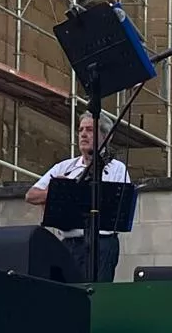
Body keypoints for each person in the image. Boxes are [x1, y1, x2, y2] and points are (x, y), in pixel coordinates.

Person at [26, 112, 130, 283]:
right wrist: (61, 191)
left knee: (97, 294)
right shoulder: (65, 166)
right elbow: (31, 195)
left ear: (105, 137)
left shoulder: (117, 168)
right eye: (81, 129)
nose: (83, 134)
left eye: (89, 130)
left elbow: (119, 204)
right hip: (69, 243)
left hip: (102, 243)